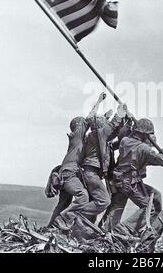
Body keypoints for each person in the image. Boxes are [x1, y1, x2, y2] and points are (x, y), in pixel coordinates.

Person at [55, 102, 128, 228]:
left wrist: (125, 123)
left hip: (91, 173)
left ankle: (77, 223)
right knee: (103, 201)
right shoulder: (98, 134)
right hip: (91, 173)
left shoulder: (98, 137)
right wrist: (120, 114)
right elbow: (111, 127)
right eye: (104, 121)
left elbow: (114, 133)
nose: (106, 122)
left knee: (95, 200)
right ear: (100, 125)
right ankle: (67, 217)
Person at [46, 92, 106, 228]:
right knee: (83, 195)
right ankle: (63, 220)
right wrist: (98, 102)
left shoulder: (80, 140)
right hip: (70, 173)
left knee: (63, 204)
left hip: (69, 173)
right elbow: (89, 117)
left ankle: (50, 228)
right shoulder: (77, 135)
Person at [110, 118, 163, 236]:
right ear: (144, 134)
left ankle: (109, 229)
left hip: (119, 179)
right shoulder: (144, 149)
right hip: (130, 182)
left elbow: (141, 159)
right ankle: (126, 228)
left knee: (155, 196)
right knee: (150, 207)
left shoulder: (125, 141)